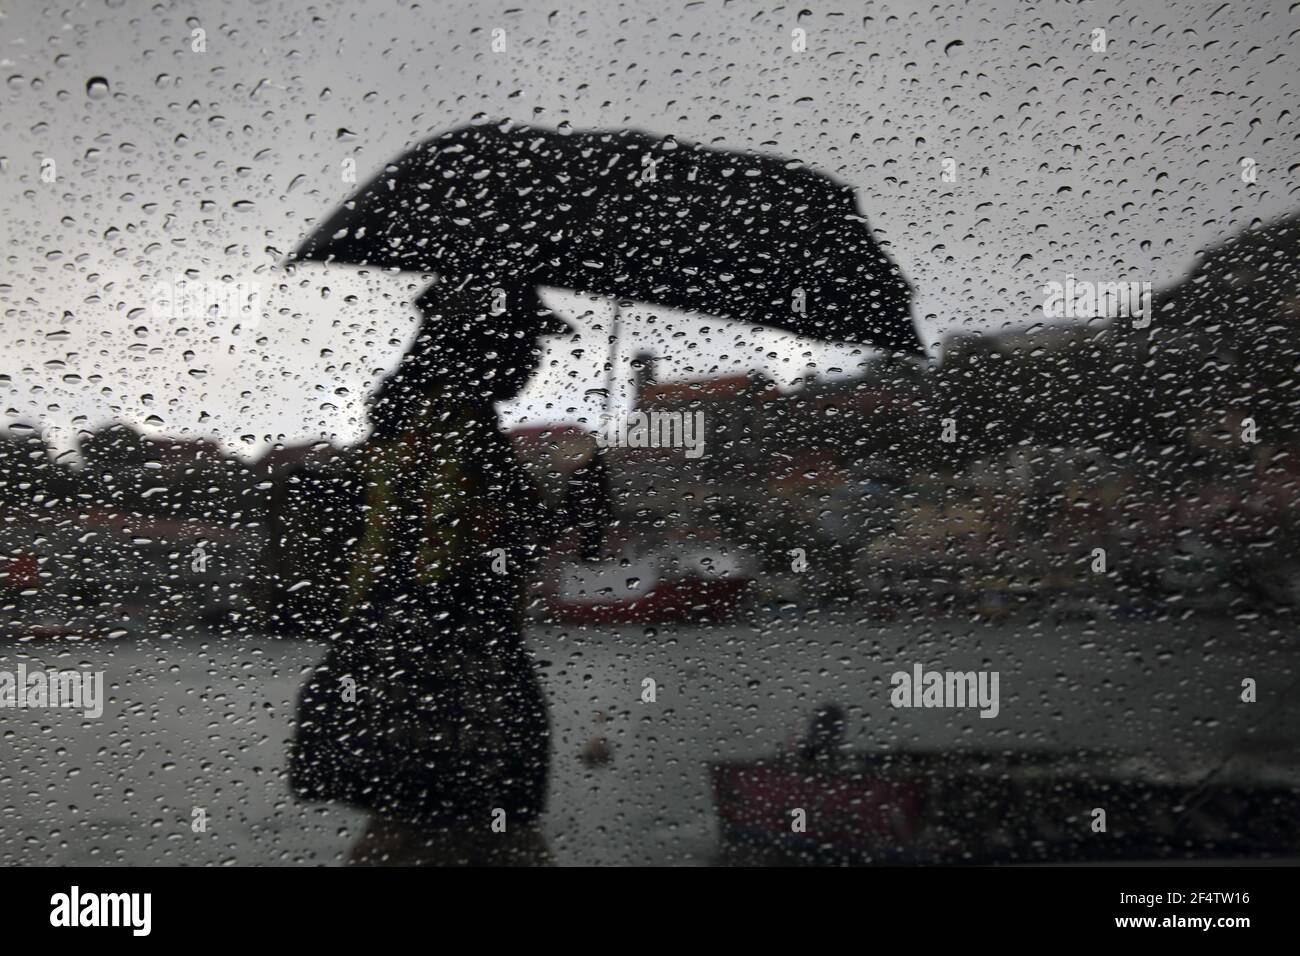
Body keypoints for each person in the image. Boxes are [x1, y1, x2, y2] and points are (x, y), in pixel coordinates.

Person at [288, 283, 603, 865]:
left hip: (396, 653)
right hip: (455, 664)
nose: (533, 360)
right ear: (481, 343)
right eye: (524, 343)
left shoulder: (413, 417)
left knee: (409, 826)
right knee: (482, 830)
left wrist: (564, 509)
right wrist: (577, 503)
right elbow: (465, 546)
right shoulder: (458, 423)